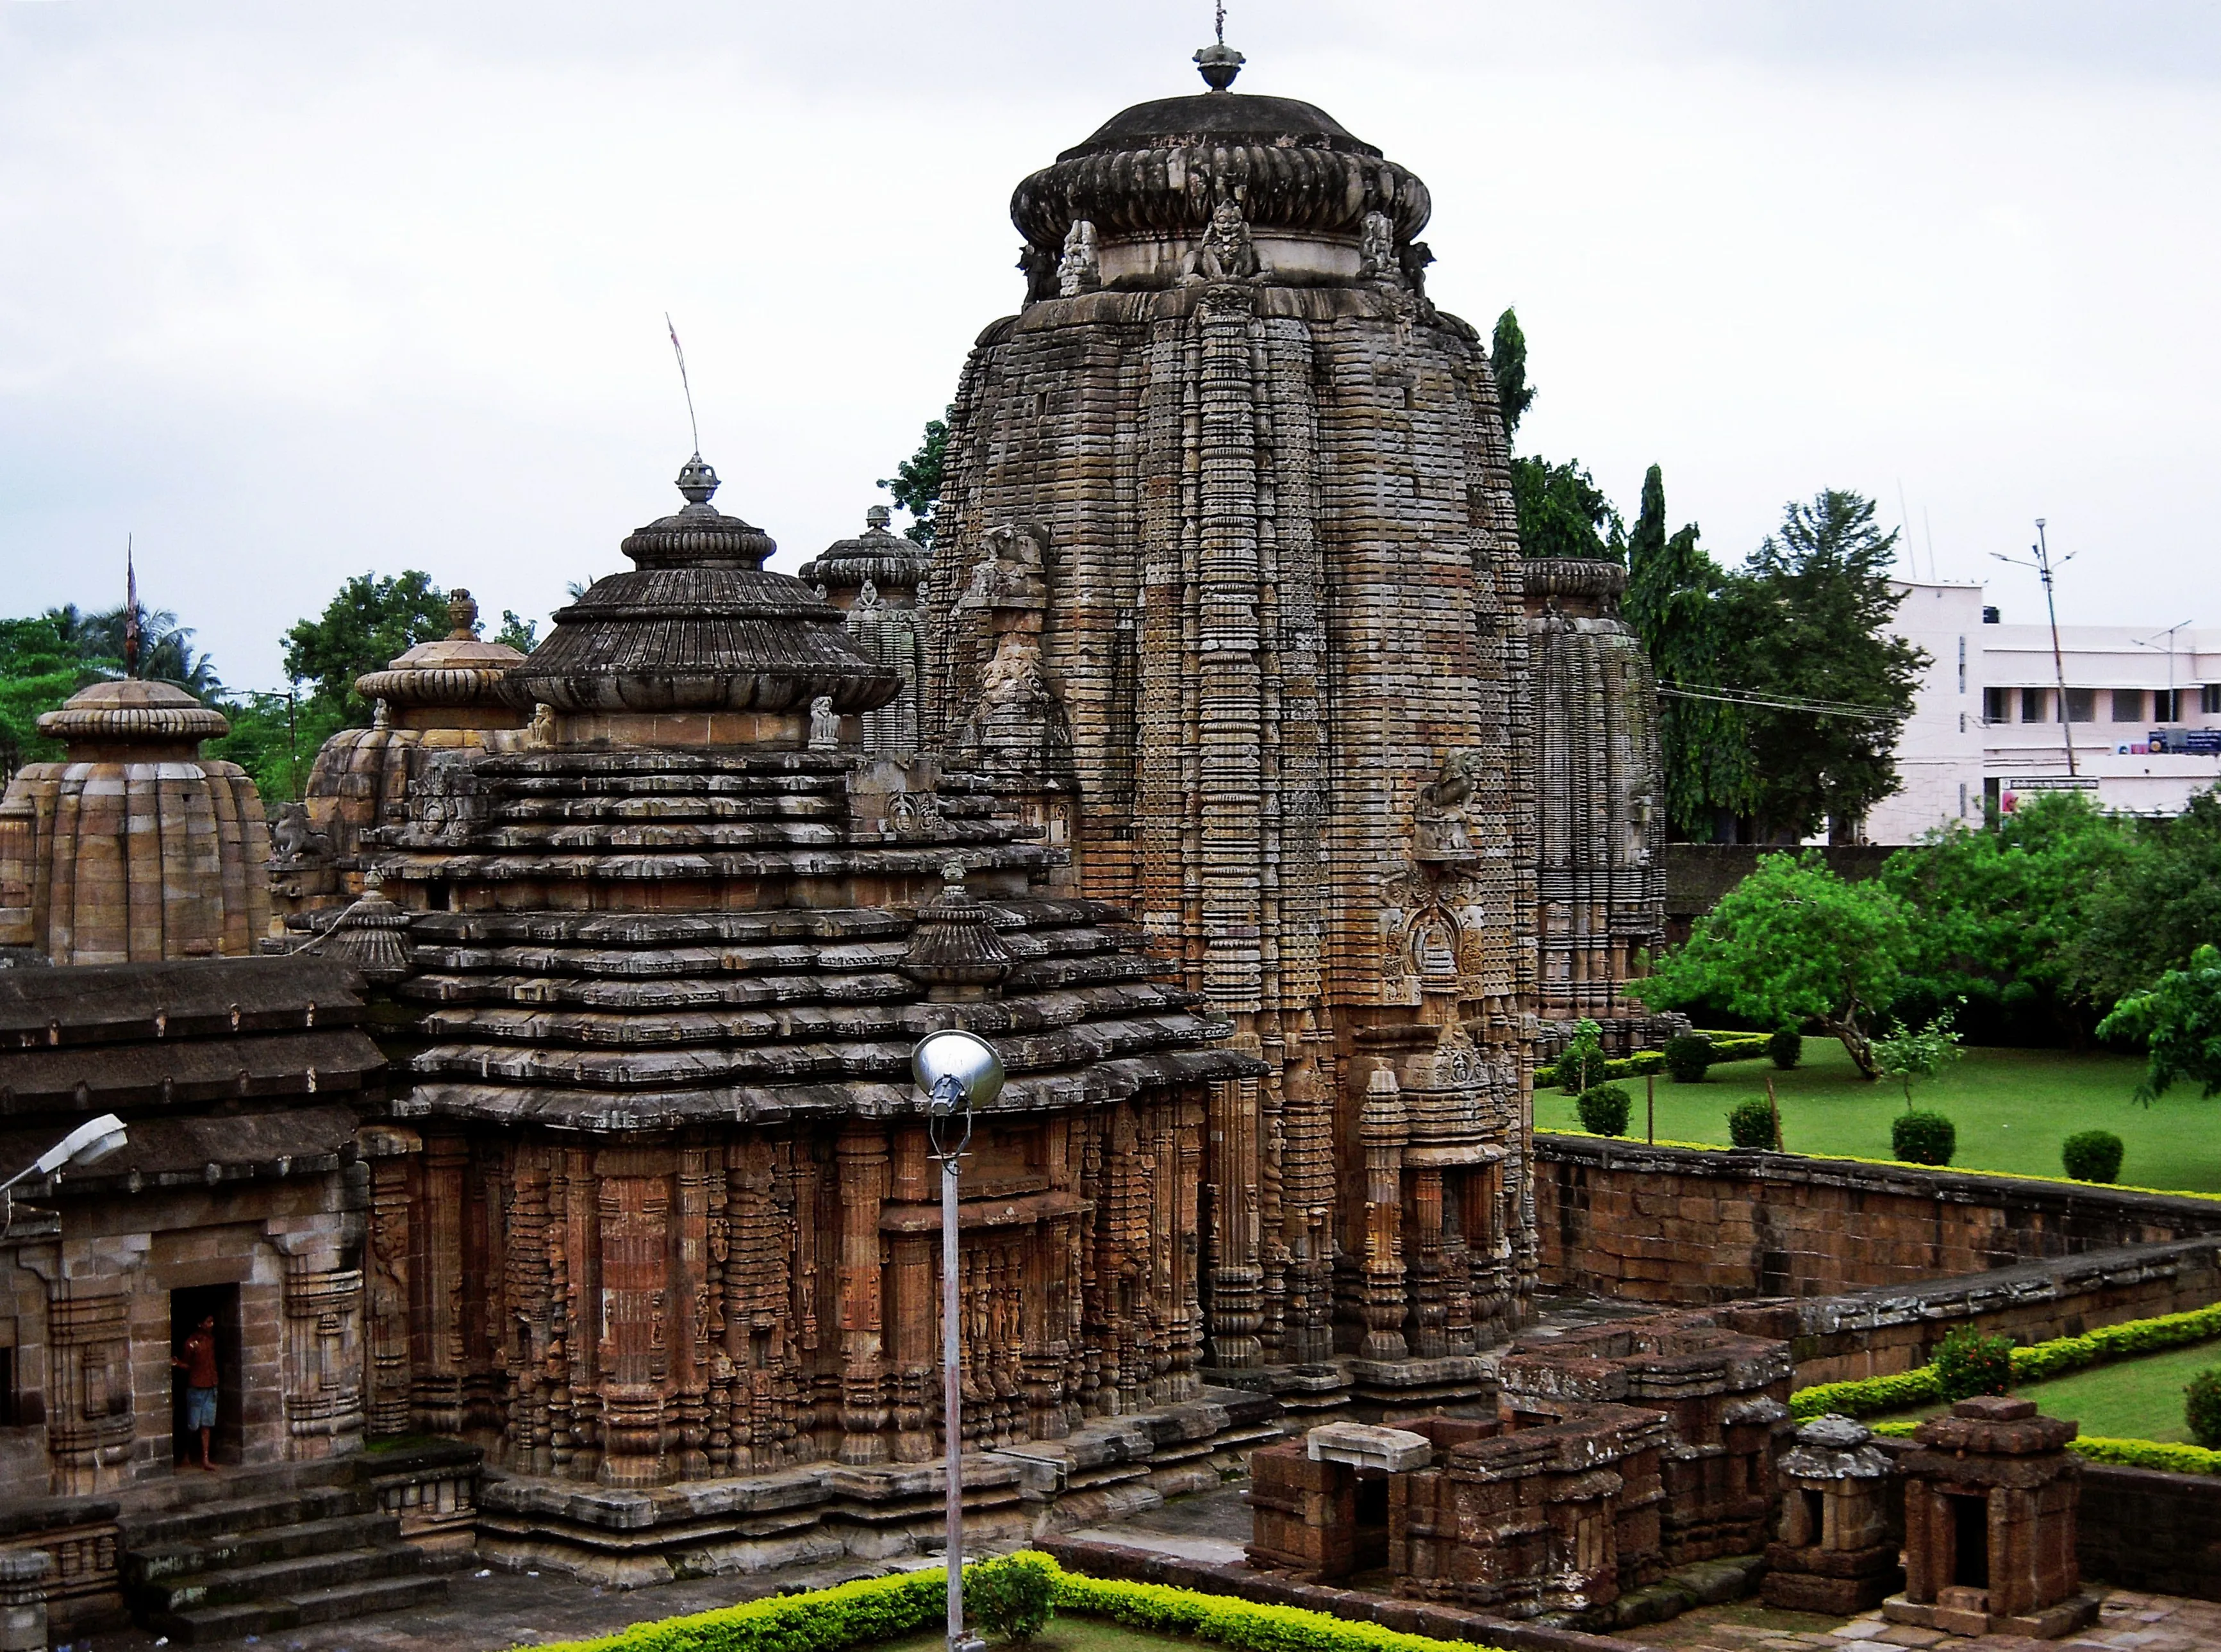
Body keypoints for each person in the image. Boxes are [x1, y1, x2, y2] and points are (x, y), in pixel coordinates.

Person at [172, 1314, 218, 1470]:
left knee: (207, 1424)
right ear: (200, 1324)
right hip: (197, 1387)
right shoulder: (191, 1343)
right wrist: (178, 1364)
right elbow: (187, 1364)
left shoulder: (211, 1340)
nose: (211, 1325)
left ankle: (205, 1458)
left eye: (212, 1321)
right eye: (208, 1322)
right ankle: (186, 1454)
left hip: (211, 1386)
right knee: (193, 1425)